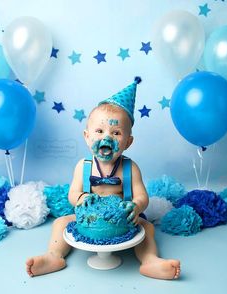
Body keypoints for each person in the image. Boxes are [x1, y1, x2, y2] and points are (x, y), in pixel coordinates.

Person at [26, 77, 181, 279]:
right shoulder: (84, 167)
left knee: (147, 227)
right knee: (60, 223)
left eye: (116, 132)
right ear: (87, 136)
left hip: (124, 221)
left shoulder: (130, 168)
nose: (106, 137)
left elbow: (142, 196)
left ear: (128, 142)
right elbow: (73, 193)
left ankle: (150, 260)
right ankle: (54, 255)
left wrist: (136, 206)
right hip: (89, 220)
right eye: (99, 131)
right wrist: (81, 198)